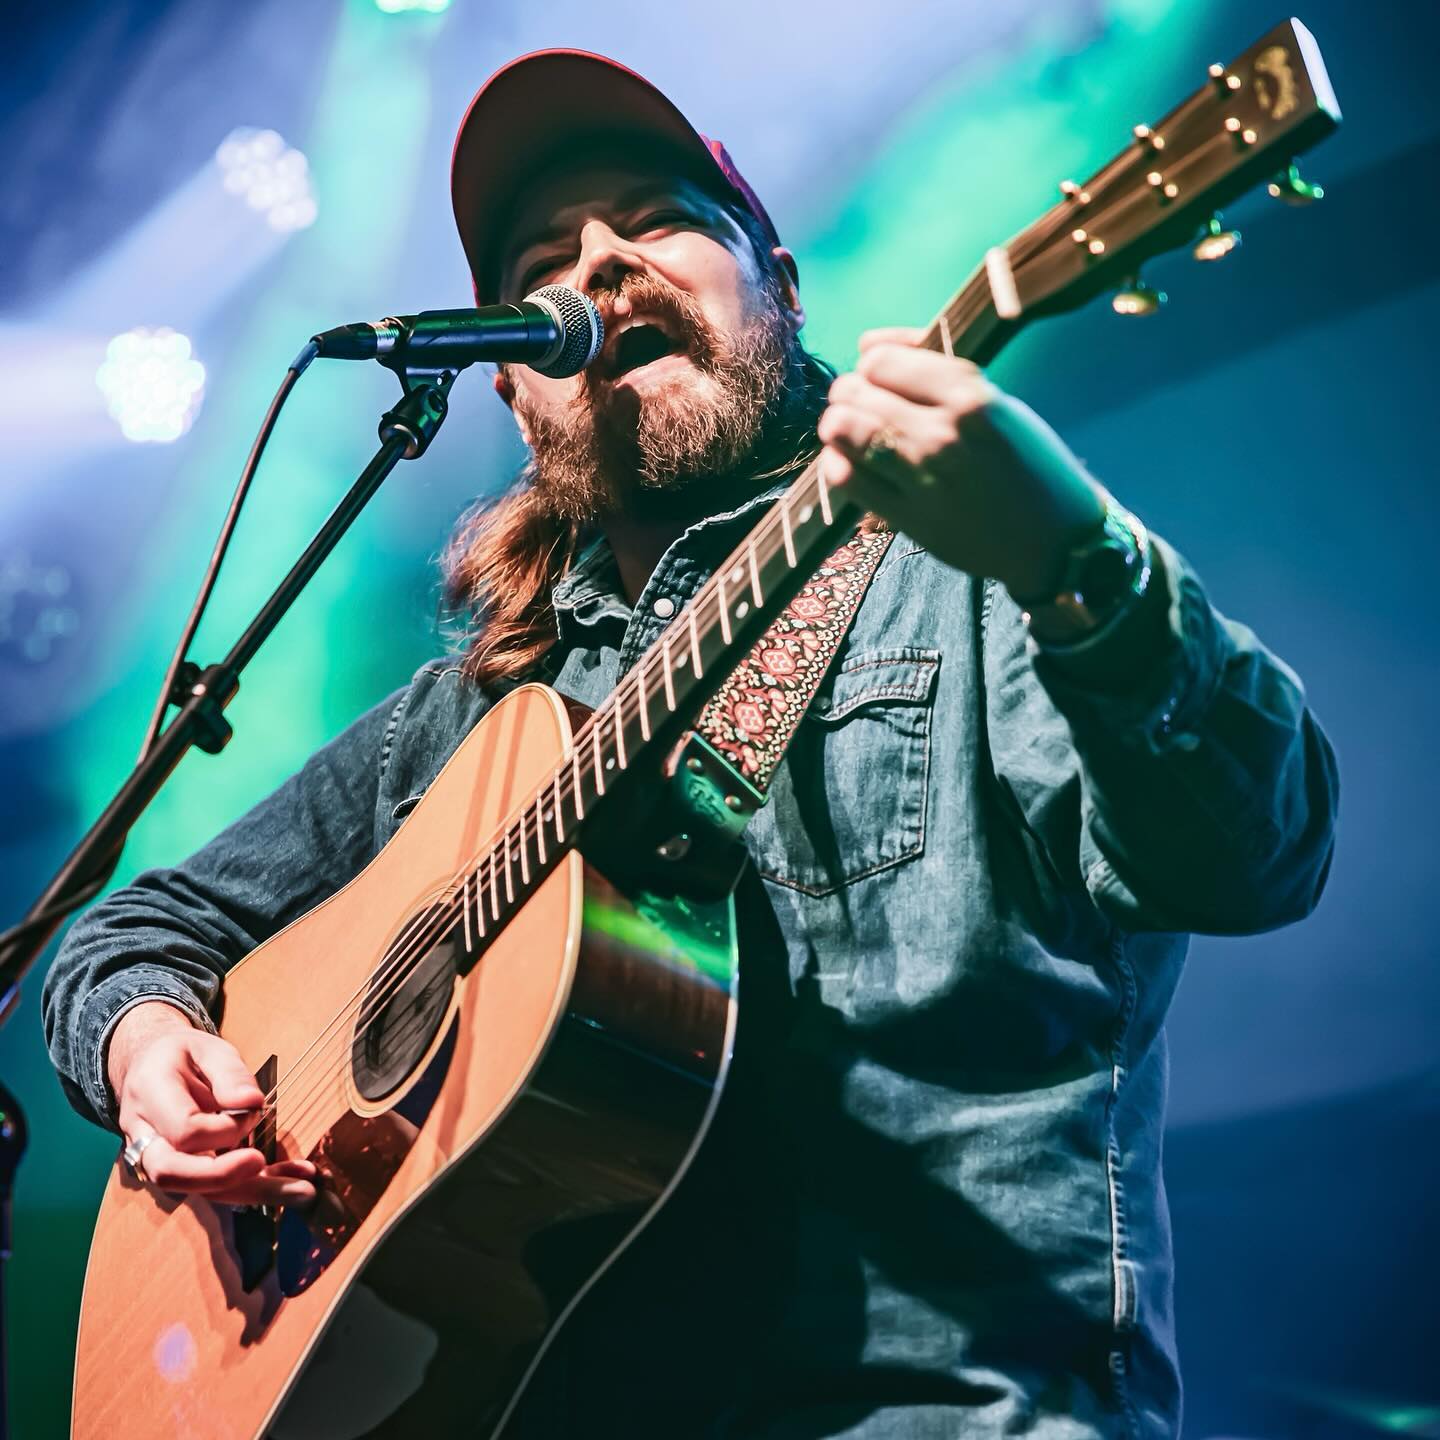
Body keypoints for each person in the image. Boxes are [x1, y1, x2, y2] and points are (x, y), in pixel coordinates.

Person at [42, 49, 1338, 1440]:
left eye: (657, 220)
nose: (599, 267)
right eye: (544, 258)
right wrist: (145, 1048)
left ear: (776, 280)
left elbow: (1261, 854)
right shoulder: (470, 713)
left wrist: (1077, 559)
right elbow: (128, 930)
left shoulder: (966, 568)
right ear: (511, 390)